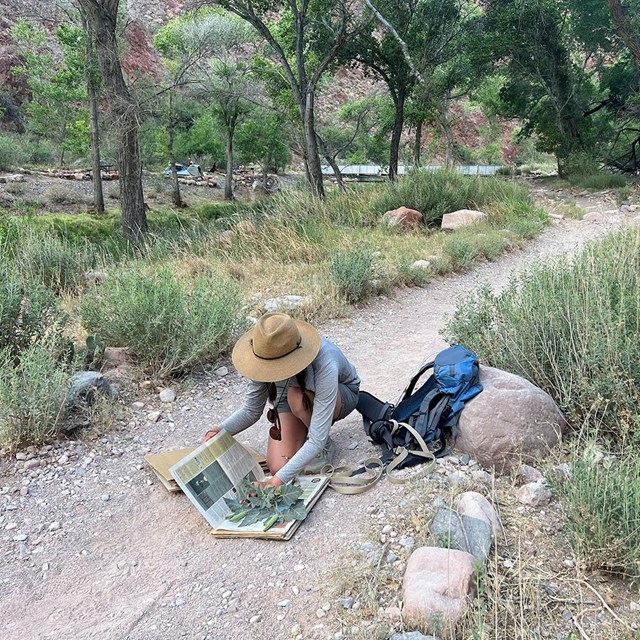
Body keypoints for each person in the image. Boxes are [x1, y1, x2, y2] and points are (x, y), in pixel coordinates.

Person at [203, 313, 360, 488]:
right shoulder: (263, 356)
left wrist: (275, 483)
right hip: (291, 395)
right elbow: (251, 410)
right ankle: (306, 436)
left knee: (297, 399)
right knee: (278, 467)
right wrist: (220, 430)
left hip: (340, 394)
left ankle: (325, 446)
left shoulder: (325, 361)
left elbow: (316, 439)